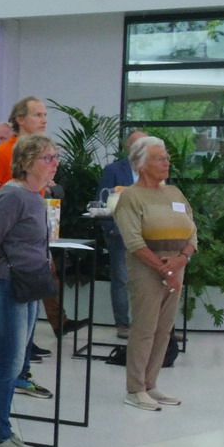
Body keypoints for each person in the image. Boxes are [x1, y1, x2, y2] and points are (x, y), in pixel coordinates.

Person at [0, 133, 62, 447]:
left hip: (27, 283)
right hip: (8, 283)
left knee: (17, 357)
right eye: (48, 158)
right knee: (10, 361)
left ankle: (4, 431)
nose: (54, 163)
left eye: (55, 157)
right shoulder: (12, 195)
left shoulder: (34, 195)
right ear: (26, 162)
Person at [0, 97, 54, 403]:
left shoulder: (41, 154)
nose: (43, 119)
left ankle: (20, 373)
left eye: (45, 114)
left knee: (22, 327)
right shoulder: (4, 152)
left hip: (27, 257)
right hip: (6, 260)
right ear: (20, 118)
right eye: (38, 114)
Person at [114, 135, 197, 412]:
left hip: (176, 268)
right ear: (141, 163)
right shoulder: (131, 196)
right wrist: (164, 268)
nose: (166, 163)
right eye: (159, 158)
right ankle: (135, 389)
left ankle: (151, 384)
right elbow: (133, 241)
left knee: (164, 330)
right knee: (145, 329)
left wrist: (180, 261)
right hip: (147, 269)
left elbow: (192, 231)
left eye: (166, 158)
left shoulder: (174, 193)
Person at [100, 130, 148, 338]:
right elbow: (103, 201)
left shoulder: (152, 168)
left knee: (147, 280)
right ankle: (123, 324)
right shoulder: (113, 170)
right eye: (136, 144)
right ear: (128, 147)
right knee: (121, 278)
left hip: (149, 233)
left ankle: (147, 324)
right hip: (120, 233)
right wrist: (111, 228)